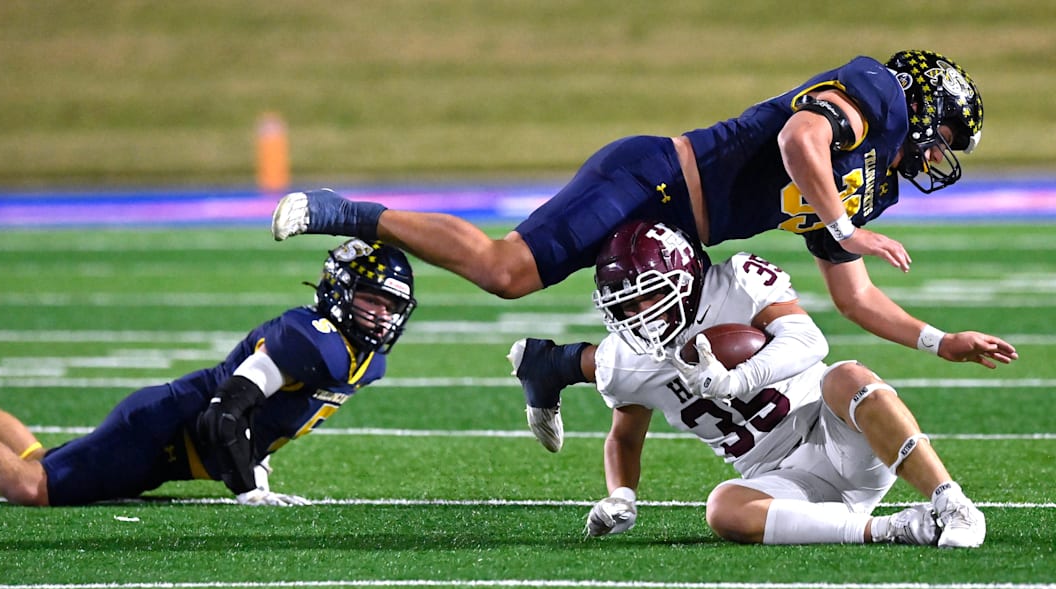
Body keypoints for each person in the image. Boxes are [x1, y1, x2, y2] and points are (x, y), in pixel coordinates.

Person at [272, 50, 1016, 447]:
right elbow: (799, 138)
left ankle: (552, 366)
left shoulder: (869, 185)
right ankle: (351, 212)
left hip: (683, 236)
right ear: (923, 104)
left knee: (690, 350)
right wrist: (847, 228)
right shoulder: (877, 96)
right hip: (650, 180)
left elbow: (853, 296)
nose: (939, 155)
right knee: (505, 272)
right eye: (946, 135)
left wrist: (939, 340)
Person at [575, 219, 985, 548]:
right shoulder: (624, 359)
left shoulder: (736, 284)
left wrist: (736, 380)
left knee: (847, 376)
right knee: (722, 508)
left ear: (683, 278)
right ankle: (892, 528)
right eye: (624, 304)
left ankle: (954, 505)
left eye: (650, 295)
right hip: (779, 477)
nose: (639, 314)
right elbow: (624, 437)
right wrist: (621, 495)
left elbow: (809, 340)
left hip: (834, 433)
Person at [0, 240, 417, 507]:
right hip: (160, 429)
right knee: (32, 487)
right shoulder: (311, 340)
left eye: (392, 305)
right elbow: (223, 412)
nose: (382, 315)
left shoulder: (367, 361)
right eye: (371, 299)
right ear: (340, 289)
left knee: (40, 463)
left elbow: (268, 417)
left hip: (172, 446)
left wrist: (257, 463)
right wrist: (249, 490)